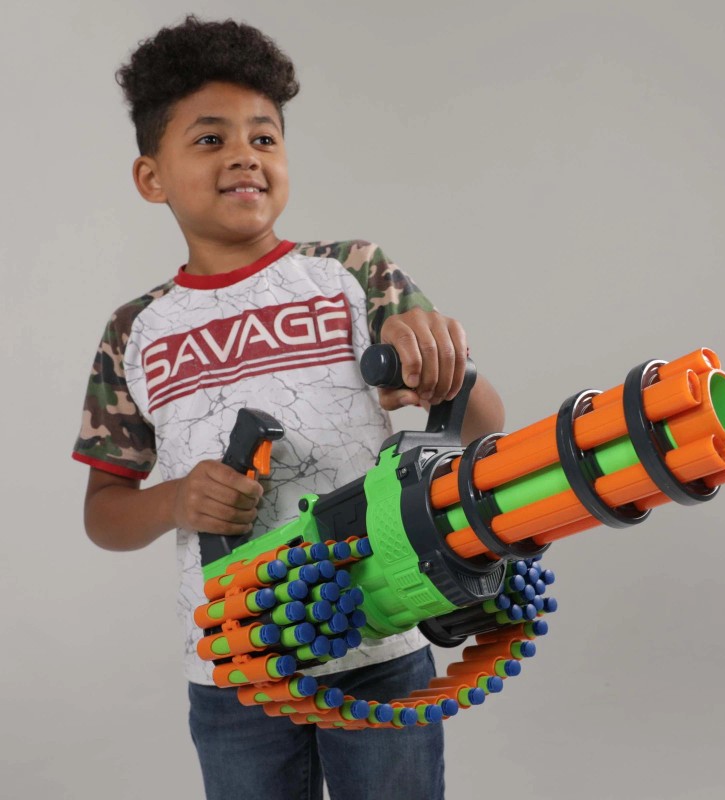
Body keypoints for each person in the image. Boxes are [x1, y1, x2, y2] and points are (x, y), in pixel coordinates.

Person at [72, 15, 505, 800]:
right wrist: (177, 499)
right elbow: (104, 513)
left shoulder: (354, 274)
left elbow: (484, 423)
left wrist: (446, 365)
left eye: (264, 137)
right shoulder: (135, 330)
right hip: (235, 664)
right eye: (210, 138)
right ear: (151, 177)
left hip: (381, 637)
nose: (245, 154)